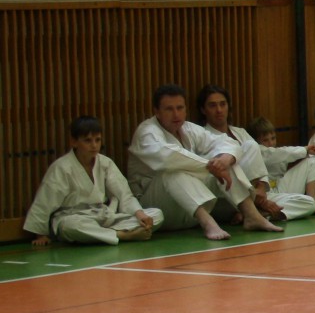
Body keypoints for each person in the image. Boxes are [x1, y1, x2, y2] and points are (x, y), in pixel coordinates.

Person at [127, 84, 277, 239]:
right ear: (157, 112)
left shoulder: (188, 129)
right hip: (156, 209)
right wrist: (211, 166)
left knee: (223, 159)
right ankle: (209, 224)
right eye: (169, 109)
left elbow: (226, 142)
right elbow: (169, 158)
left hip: (188, 211)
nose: (176, 114)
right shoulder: (147, 132)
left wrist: (225, 160)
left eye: (180, 108)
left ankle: (252, 215)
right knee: (172, 171)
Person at [25, 116, 160, 246]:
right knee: (69, 226)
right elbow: (45, 201)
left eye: (97, 140)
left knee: (156, 215)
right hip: (75, 217)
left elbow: (124, 195)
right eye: (88, 140)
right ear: (74, 142)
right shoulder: (61, 168)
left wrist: (140, 214)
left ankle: (104, 234)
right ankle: (121, 235)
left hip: (104, 216)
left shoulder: (105, 163)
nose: (94, 145)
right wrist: (40, 234)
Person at [197, 85, 315, 223]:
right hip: (228, 197)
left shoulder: (240, 132)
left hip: (256, 193)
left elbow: (264, 155)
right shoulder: (202, 137)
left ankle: (259, 214)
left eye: (222, 104)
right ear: (203, 110)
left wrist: (261, 188)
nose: (219, 110)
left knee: (308, 203)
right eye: (212, 105)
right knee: (250, 145)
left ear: (228, 106)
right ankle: (251, 210)